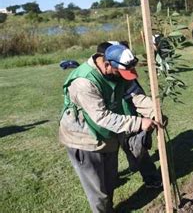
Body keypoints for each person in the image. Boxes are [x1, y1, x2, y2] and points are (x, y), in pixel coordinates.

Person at [59, 44, 159, 212]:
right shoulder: (84, 82)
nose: (123, 77)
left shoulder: (117, 72)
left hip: (107, 136)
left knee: (110, 182)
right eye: (120, 73)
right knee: (99, 191)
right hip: (84, 139)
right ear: (107, 64)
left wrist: (154, 111)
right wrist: (139, 123)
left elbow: (135, 96)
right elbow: (101, 117)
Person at [96, 41, 161, 189]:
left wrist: (153, 111)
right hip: (104, 125)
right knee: (107, 156)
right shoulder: (95, 79)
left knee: (136, 149)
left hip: (127, 119)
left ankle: (151, 178)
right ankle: (110, 180)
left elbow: (136, 96)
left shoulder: (122, 73)